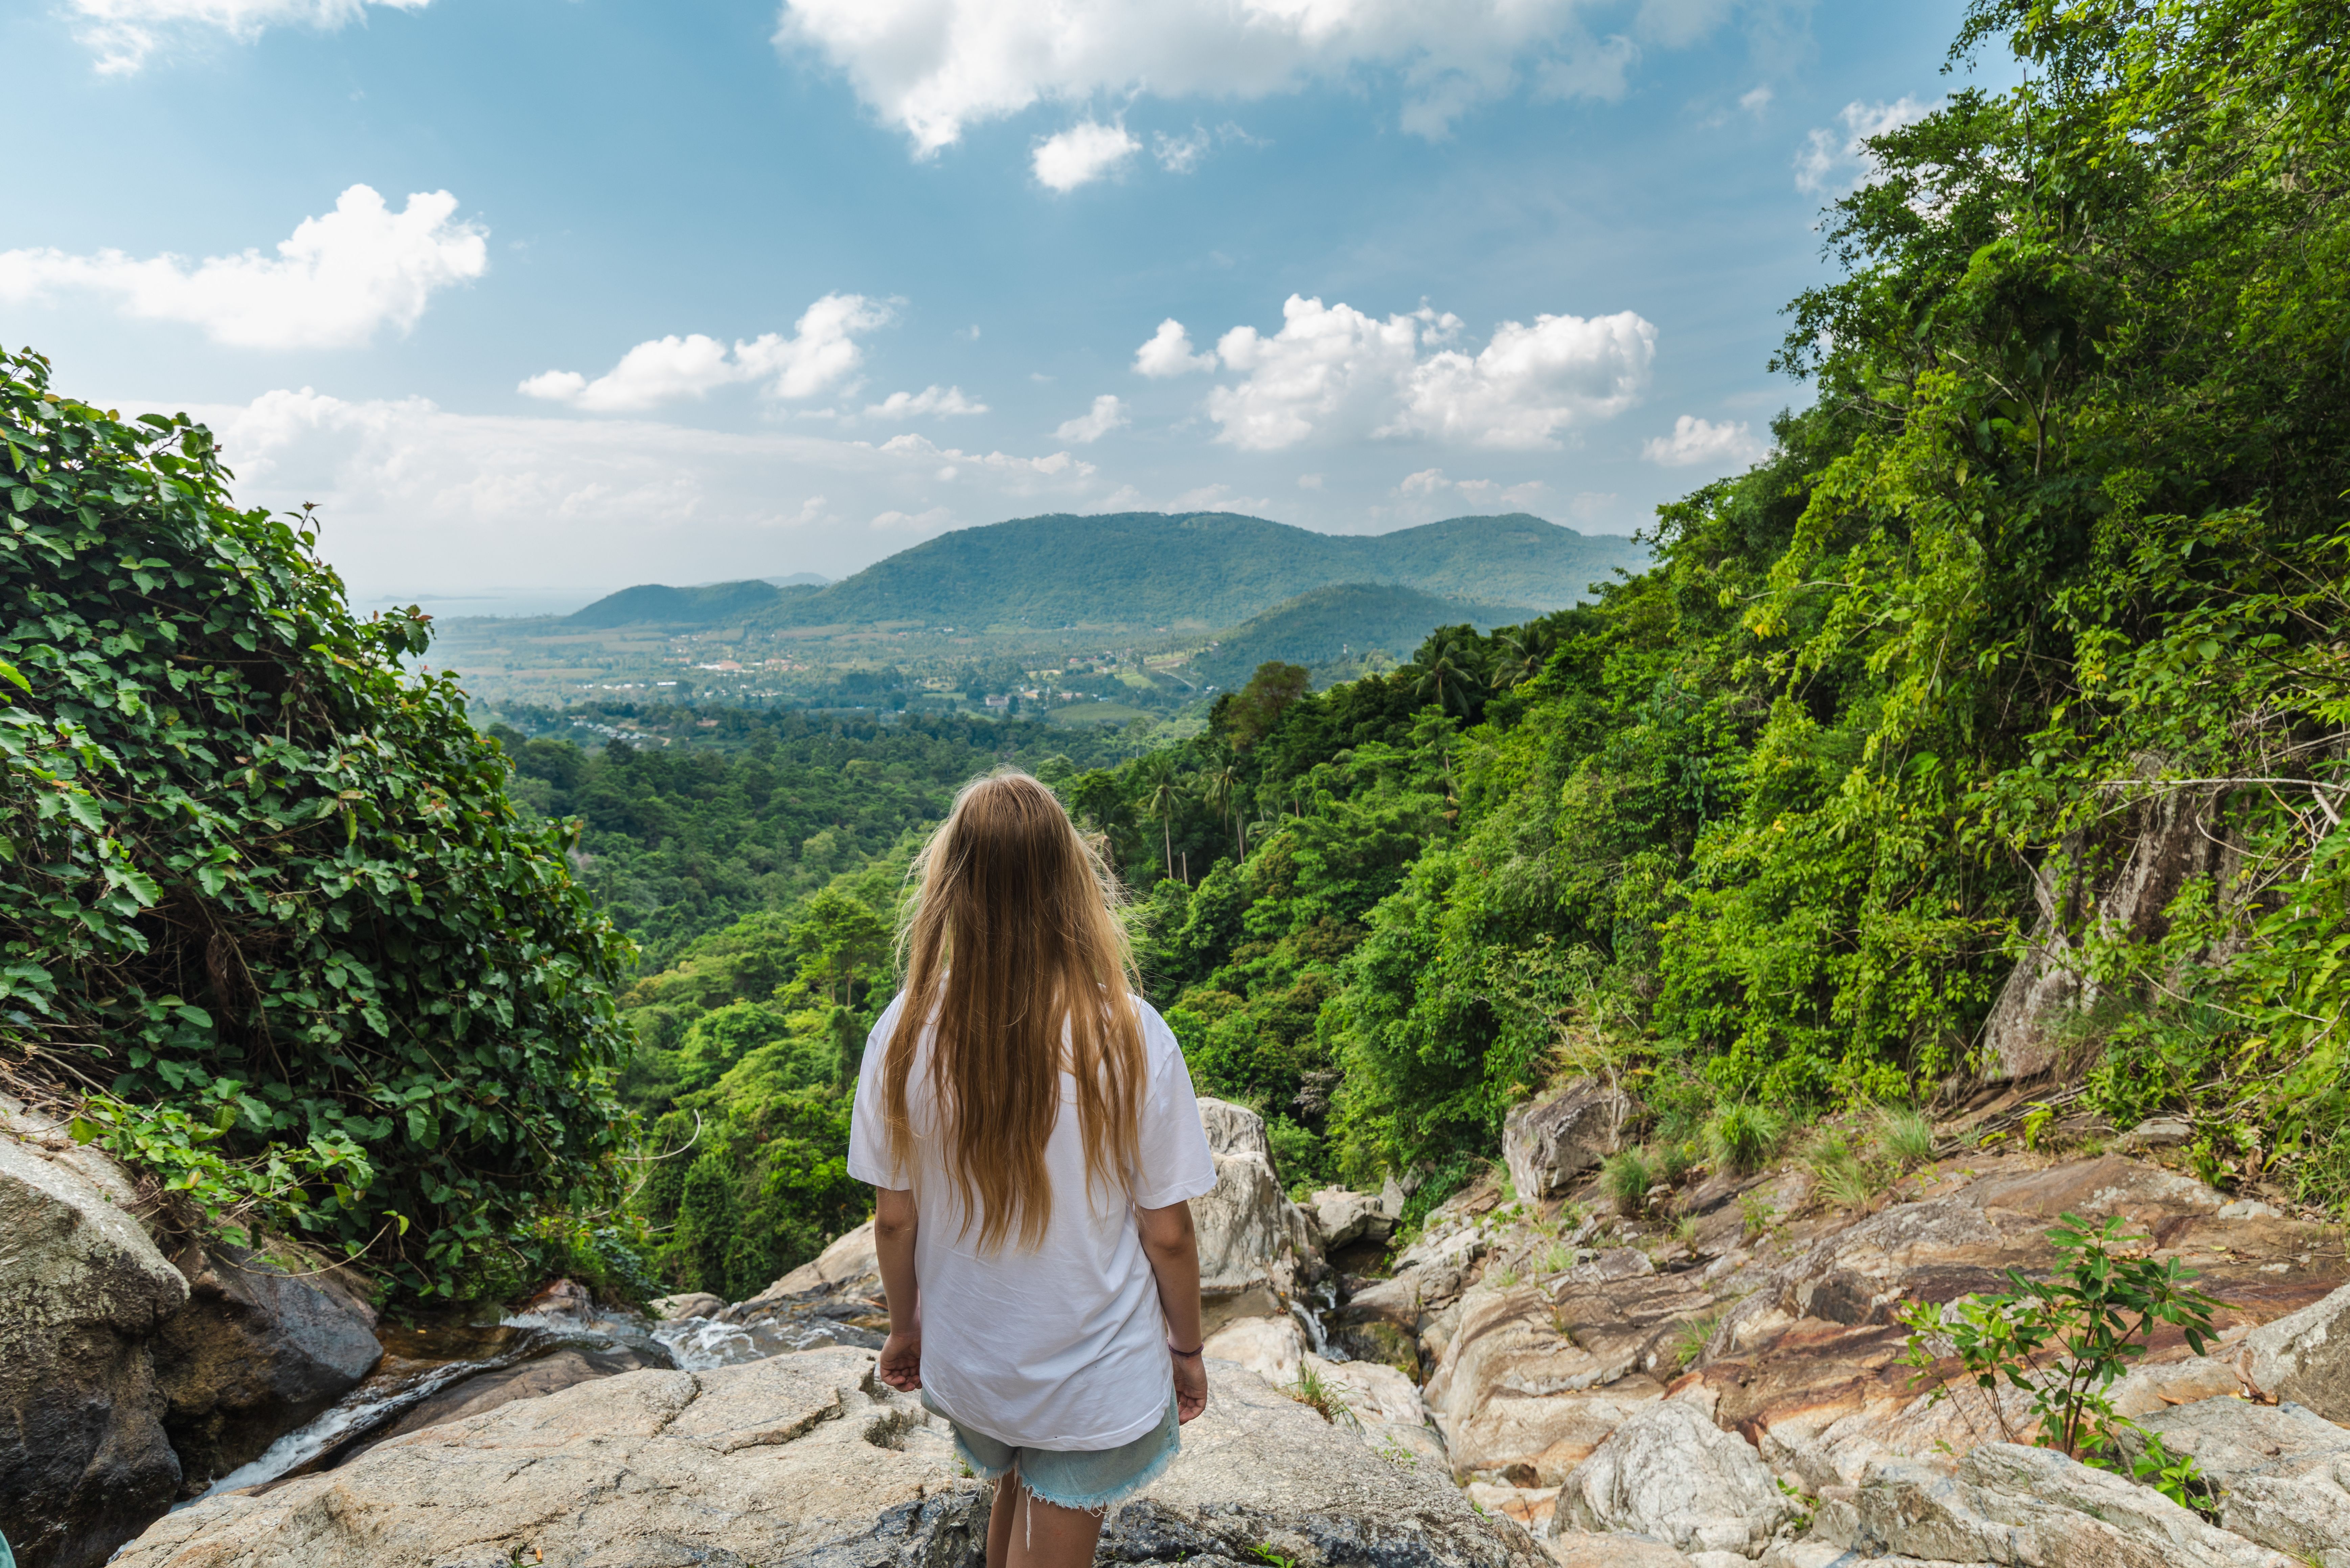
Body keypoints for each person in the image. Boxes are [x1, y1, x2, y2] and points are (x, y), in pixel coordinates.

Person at [847, 770, 1218, 1568]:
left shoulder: (904, 1030)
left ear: (953, 887)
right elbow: (1169, 1234)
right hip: (1089, 1372)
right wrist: (1187, 1349)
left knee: (1013, 1483)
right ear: (1070, 882)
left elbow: (895, 1219)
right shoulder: (1128, 1032)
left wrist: (906, 1329)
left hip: (977, 1362)